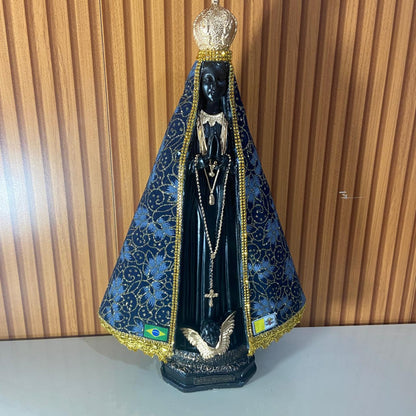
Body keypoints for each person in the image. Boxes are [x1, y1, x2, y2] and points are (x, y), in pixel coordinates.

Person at [99, 0, 305, 390]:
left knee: (230, 270)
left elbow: (248, 180)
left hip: (228, 223)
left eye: (221, 81)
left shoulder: (234, 125)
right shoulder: (186, 128)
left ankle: (234, 342)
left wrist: (229, 169)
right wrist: (195, 168)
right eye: (208, 80)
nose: (214, 88)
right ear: (197, 82)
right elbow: (170, 178)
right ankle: (184, 343)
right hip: (192, 222)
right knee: (191, 274)